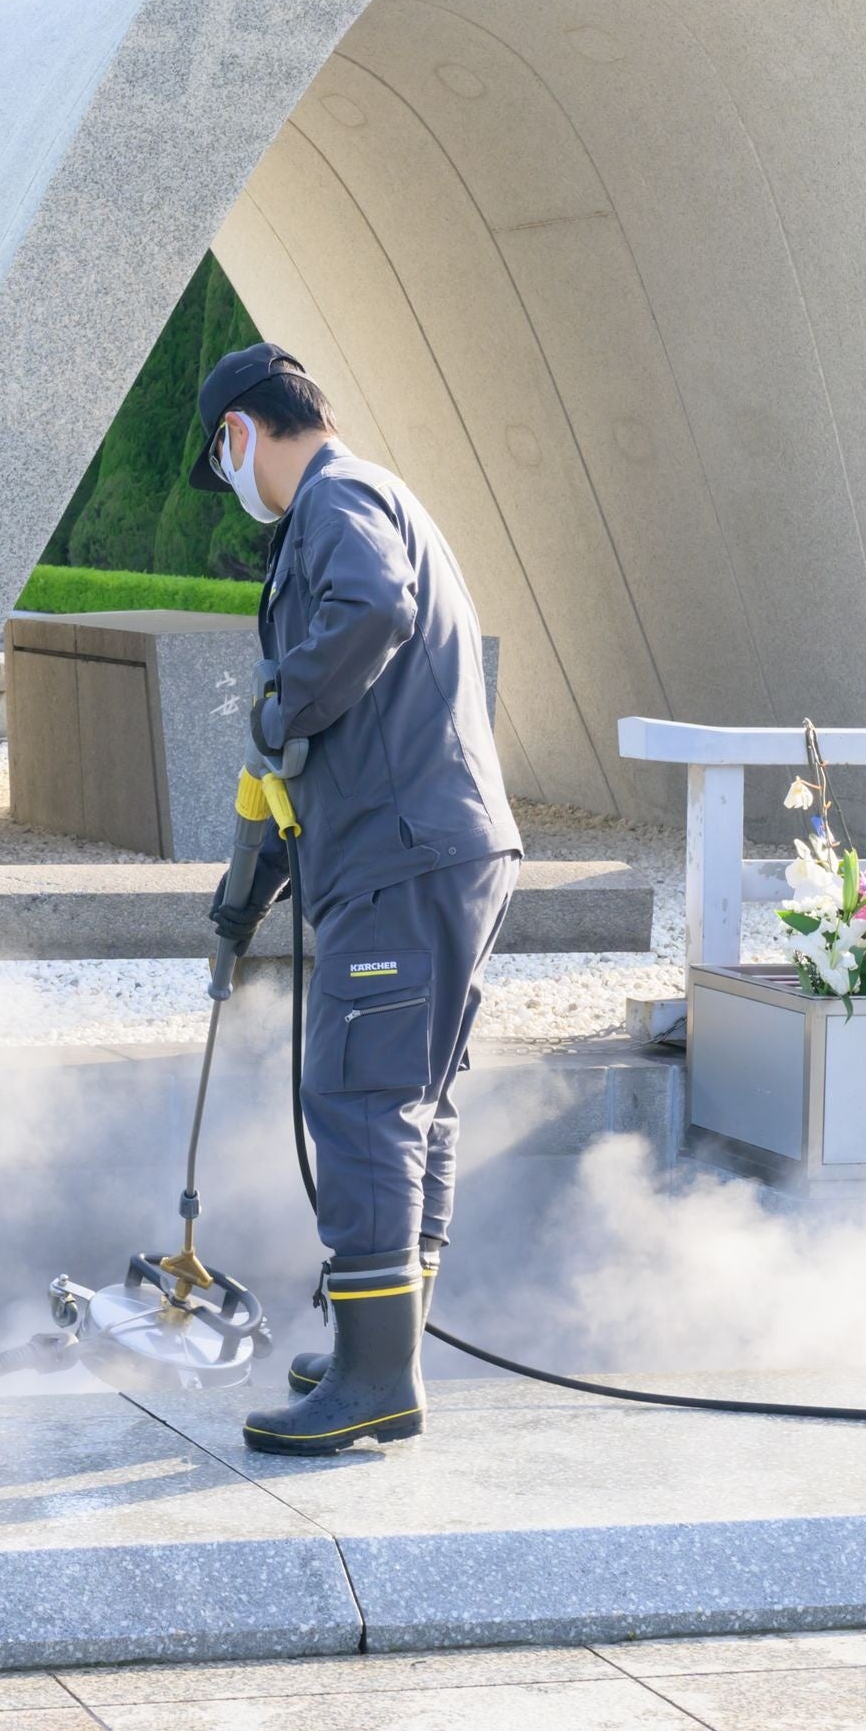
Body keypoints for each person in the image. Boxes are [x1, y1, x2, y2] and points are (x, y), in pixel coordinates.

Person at [195, 343, 521, 1456]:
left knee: (361, 1095)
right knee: (408, 1102)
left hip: (405, 851)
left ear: (239, 434)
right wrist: (252, 884)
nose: (231, 485)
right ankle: (379, 1353)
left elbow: (372, 608)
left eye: (221, 459)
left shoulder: (338, 499)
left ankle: (378, 1381)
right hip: (429, 845)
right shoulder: (365, 499)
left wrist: (283, 704)